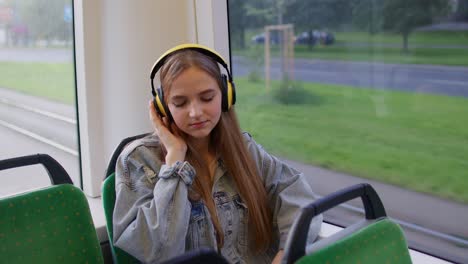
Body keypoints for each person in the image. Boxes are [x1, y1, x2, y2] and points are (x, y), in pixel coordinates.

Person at [113, 43, 322, 264]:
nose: (195, 112)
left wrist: (284, 255)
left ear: (225, 95)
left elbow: (301, 202)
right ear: (162, 107)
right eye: (180, 102)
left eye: (207, 98)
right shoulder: (139, 160)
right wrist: (175, 160)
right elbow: (158, 250)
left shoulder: (244, 149)